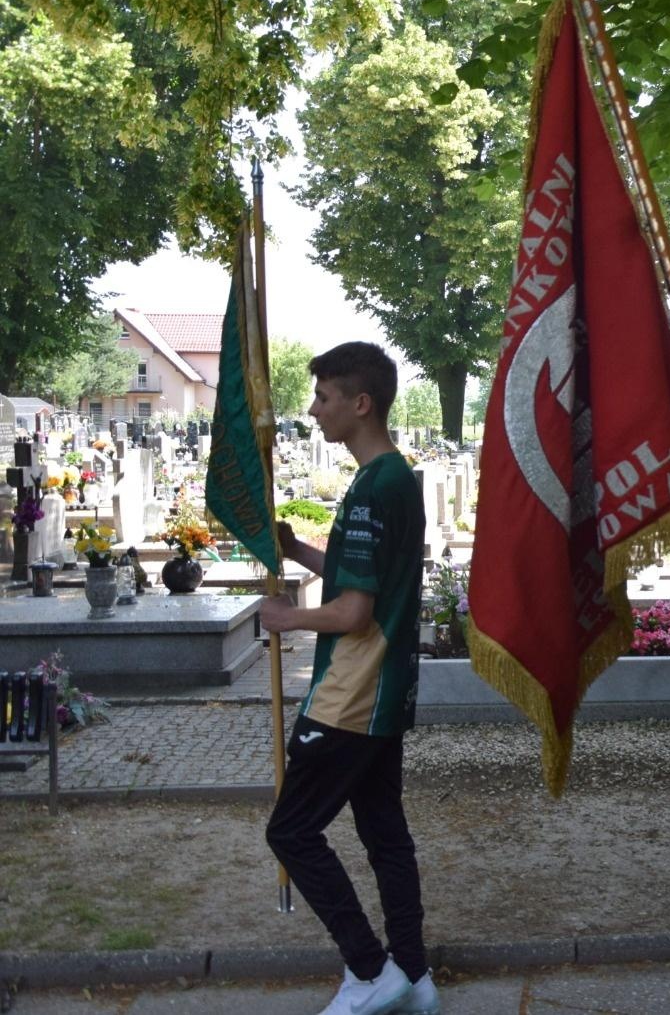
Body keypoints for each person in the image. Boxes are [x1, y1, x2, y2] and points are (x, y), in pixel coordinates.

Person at [259, 343, 438, 1015]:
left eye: (324, 396)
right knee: (385, 832)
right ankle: (414, 977)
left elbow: (354, 611)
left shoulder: (372, 487)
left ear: (360, 404)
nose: (314, 409)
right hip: (383, 696)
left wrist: (284, 618)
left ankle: (371, 970)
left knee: (292, 831)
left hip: (350, 697)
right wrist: (295, 548)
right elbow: (363, 576)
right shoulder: (394, 477)